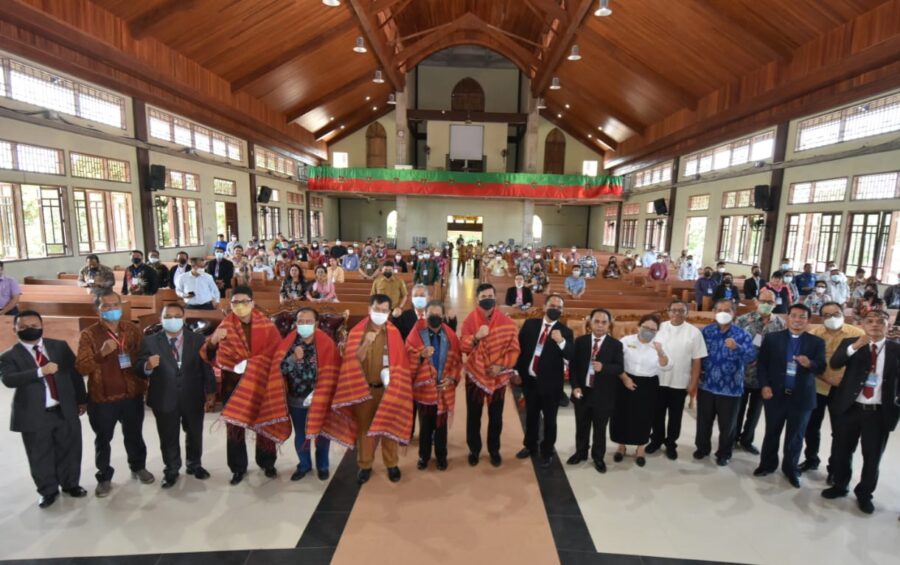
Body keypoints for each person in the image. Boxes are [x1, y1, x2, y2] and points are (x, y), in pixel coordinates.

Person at [1, 310, 87, 508]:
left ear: (42, 326)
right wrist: (40, 371)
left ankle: (71, 484)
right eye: (23, 327)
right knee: (40, 454)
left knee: (70, 449)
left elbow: (75, 375)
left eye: (33, 326)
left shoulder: (59, 346)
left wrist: (82, 400)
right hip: (34, 414)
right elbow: (8, 380)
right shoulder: (9, 356)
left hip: (64, 408)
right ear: (15, 329)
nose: (29, 330)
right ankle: (48, 491)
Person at [201, 286, 286, 485]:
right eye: (235, 303)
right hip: (235, 385)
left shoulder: (267, 325)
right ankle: (238, 468)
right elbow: (207, 354)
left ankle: (267, 463)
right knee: (235, 426)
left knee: (265, 421)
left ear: (252, 303)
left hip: (261, 382)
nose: (240, 306)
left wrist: (256, 363)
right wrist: (213, 340)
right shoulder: (225, 325)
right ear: (230, 305)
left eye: (244, 302)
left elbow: (278, 353)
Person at [74, 289, 153, 497]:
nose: (111, 309)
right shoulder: (89, 334)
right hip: (102, 398)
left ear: (121, 306)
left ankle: (138, 467)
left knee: (134, 435)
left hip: (131, 394)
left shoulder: (131, 329)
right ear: (97, 309)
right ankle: (104, 476)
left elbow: (143, 356)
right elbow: (81, 367)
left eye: (115, 305)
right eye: (106, 306)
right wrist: (101, 354)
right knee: (103, 439)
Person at [822, 310, 899, 514]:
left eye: (880, 322)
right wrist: (856, 346)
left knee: (872, 457)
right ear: (863, 325)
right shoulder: (852, 342)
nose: (875, 325)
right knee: (842, 451)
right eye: (870, 321)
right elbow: (835, 363)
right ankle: (840, 485)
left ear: (888, 325)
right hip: (850, 408)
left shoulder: (896, 349)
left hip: (878, 412)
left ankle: (865, 494)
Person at [333, 295, 413, 484]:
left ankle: (391, 464)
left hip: (387, 390)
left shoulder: (393, 333)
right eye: (377, 309)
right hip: (365, 390)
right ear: (370, 309)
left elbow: (401, 363)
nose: (381, 313)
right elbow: (353, 360)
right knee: (365, 430)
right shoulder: (358, 331)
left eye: (385, 310)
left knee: (388, 426)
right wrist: (367, 342)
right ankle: (365, 465)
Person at [137, 303, 216, 488]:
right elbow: (138, 368)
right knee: (168, 436)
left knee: (195, 433)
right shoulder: (150, 341)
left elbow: (206, 367)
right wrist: (147, 366)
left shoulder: (197, 339)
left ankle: (194, 464)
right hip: (164, 397)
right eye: (168, 316)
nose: (172, 320)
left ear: (183, 317)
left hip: (193, 395)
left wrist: (211, 391)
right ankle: (171, 469)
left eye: (176, 316)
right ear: (161, 319)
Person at [754, 303, 826, 488]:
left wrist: (809, 363)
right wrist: (764, 385)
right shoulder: (772, 338)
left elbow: (821, 367)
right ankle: (767, 464)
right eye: (794, 316)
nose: (797, 320)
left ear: (808, 320)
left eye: (802, 317)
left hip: (801, 398)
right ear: (788, 318)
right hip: (775, 394)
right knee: (772, 432)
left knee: (796, 436)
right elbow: (762, 365)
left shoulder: (816, 342)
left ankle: (790, 468)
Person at [276, 307, 340, 481]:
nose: (304, 325)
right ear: (296, 324)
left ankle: (323, 466)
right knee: (301, 435)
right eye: (301, 322)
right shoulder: (289, 344)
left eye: (308, 321)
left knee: (322, 435)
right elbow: (279, 369)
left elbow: (335, 370)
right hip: (297, 400)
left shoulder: (327, 344)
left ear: (316, 324)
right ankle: (304, 465)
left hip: (321, 400)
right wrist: (292, 359)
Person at [461, 283, 520, 467]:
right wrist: (476, 337)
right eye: (484, 296)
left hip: (498, 377)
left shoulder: (506, 321)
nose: (488, 299)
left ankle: (494, 449)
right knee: (474, 415)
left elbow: (514, 348)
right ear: (477, 299)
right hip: (475, 376)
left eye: (490, 295)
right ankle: (474, 449)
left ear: (495, 297)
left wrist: (501, 366)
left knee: (496, 416)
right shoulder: (470, 320)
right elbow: (463, 346)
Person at [803, 302, 864, 480]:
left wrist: (845, 381)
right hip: (818, 386)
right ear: (821, 318)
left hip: (843, 391)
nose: (832, 318)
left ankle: (834, 468)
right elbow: (808, 363)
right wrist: (827, 378)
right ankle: (811, 459)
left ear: (843, 313)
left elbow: (862, 364)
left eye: (836, 314)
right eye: (827, 315)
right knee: (811, 427)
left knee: (840, 431)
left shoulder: (857, 335)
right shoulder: (813, 335)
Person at [694, 300, 757, 466]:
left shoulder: (742, 334)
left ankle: (724, 453)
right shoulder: (705, 331)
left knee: (727, 424)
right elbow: (697, 356)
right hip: (706, 384)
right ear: (714, 312)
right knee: (703, 421)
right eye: (719, 310)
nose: (723, 313)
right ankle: (702, 448)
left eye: (727, 310)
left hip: (730, 388)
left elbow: (751, 358)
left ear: (734, 313)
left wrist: (737, 347)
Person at [515, 295, 574, 467]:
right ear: (545, 306)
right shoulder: (530, 324)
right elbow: (520, 349)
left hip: (551, 385)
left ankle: (547, 450)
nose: (555, 309)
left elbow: (571, 355)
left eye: (559, 307)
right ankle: (530, 445)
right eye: (552, 305)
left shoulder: (566, 331)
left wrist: (561, 341)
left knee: (550, 420)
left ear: (562, 311)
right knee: (531, 417)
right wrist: (516, 371)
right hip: (530, 381)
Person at [648, 300, 707, 460]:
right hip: (658, 379)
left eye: (681, 310)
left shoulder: (694, 332)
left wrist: (693, 383)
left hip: (680, 381)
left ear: (687, 313)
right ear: (668, 312)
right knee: (657, 414)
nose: (677, 314)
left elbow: (696, 360)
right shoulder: (659, 328)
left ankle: (671, 443)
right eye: (674, 310)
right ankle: (656, 440)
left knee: (675, 416)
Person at [407, 300, 462, 471]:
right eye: (431, 315)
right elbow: (407, 355)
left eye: (438, 315)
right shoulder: (416, 333)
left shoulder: (451, 335)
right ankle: (423, 456)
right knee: (425, 426)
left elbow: (457, 362)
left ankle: (441, 456)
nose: (434, 318)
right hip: (424, 390)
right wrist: (421, 356)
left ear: (444, 316)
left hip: (443, 389)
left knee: (441, 427)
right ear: (426, 315)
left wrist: (452, 379)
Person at [566, 309, 623, 472]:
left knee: (599, 428)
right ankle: (581, 453)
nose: (600, 325)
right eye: (596, 321)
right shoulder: (581, 342)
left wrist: (604, 367)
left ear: (609, 324)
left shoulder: (615, 345)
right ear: (590, 323)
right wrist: (575, 386)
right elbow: (574, 367)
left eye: (604, 322)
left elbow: (620, 367)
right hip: (582, 392)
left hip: (603, 395)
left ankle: (598, 457)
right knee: (581, 425)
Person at [612, 314, 669, 466]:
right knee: (622, 414)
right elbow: (616, 361)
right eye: (646, 327)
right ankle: (621, 446)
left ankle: (640, 448)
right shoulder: (626, 341)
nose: (649, 331)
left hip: (648, 384)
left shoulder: (658, 345)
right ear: (639, 326)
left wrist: (660, 352)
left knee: (644, 416)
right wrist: (625, 378)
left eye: (653, 329)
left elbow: (667, 365)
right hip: (625, 380)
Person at [734, 290, 786, 455]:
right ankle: (732, 438)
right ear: (756, 302)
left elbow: (782, 349)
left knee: (755, 411)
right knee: (737, 409)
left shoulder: (780, 323)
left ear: (775, 304)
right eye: (763, 301)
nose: (766, 305)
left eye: (770, 302)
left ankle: (747, 440)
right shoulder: (743, 320)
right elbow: (733, 343)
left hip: (764, 376)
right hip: (742, 372)